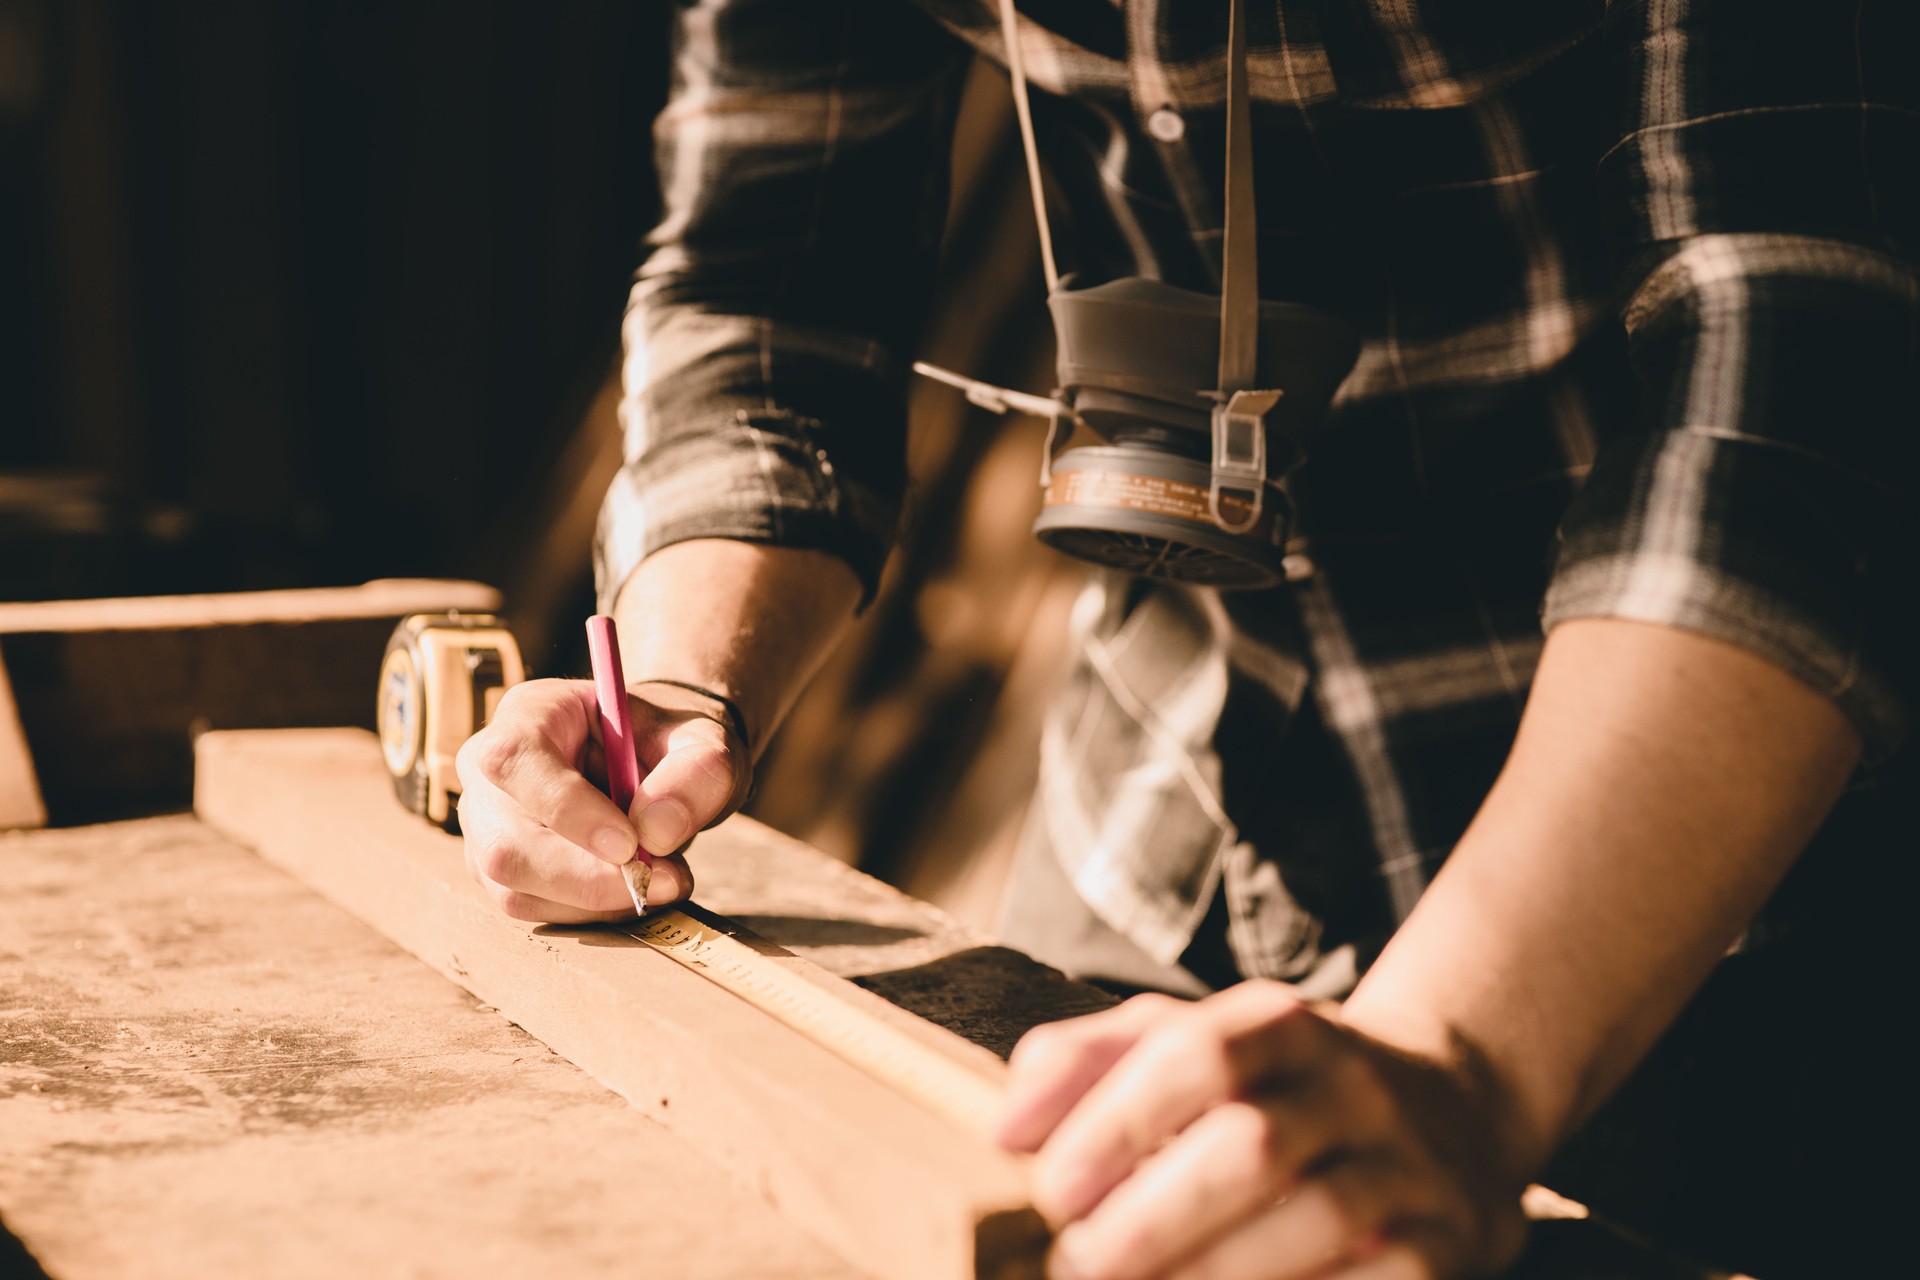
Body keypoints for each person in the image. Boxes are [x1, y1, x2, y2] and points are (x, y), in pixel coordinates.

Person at [453, 2, 1915, 1276]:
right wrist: (678, 688)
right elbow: (769, 279)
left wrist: (1452, 1063)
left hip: (1699, 881)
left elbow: (1799, 363)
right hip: (1161, 813)